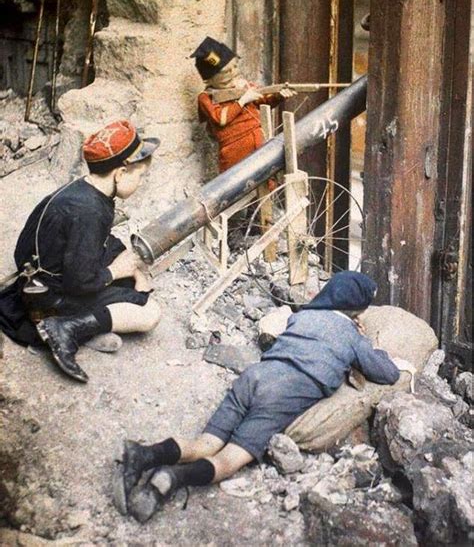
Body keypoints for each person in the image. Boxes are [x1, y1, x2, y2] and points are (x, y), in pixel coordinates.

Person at [115, 271, 400, 523]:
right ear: (357, 311)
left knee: (204, 444)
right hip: (285, 393)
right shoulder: (351, 336)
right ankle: (173, 479)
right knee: (228, 460)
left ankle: (145, 454)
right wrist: (367, 343)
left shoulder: (303, 316)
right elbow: (387, 374)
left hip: (254, 377)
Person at [0, 119, 161, 383]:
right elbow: (79, 282)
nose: (142, 182)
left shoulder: (83, 191)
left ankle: (90, 325)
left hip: (34, 279)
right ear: (120, 173)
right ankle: (66, 329)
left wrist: (132, 268)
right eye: (141, 175)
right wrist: (116, 271)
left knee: (124, 270)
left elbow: (27, 250)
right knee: (149, 313)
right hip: (48, 299)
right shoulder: (90, 212)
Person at [192, 37, 295, 173]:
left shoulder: (243, 86)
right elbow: (220, 119)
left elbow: (263, 100)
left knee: (267, 182)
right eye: (226, 72)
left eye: (234, 67)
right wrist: (242, 100)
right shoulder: (206, 97)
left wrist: (278, 96)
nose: (233, 73)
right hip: (233, 151)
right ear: (211, 78)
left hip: (258, 141)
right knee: (234, 186)